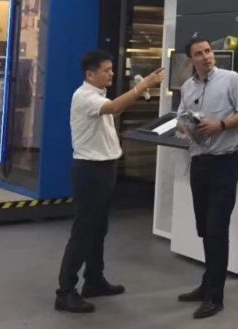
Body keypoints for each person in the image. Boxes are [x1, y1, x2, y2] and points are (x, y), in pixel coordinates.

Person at [55, 51, 163, 313]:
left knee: (98, 230)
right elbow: (114, 108)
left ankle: (94, 280)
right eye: (106, 70)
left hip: (104, 169)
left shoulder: (98, 96)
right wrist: (144, 85)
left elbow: (116, 108)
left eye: (111, 69)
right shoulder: (84, 96)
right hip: (90, 172)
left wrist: (138, 92)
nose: (112, 74)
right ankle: (65, 291)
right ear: (90, 74)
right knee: (83, 231)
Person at [176, 37, 238, 319]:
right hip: (200, 163)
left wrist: (220, 125)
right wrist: (186, 128)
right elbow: (181, 118)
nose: (206, 56)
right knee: (205, 228)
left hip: (225, 161)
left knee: (217, 229)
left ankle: (215, 296)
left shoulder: (231, 79)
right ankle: (207, 283)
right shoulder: (187, 87)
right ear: (191, 60)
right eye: (199, 53)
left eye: (208, 51)